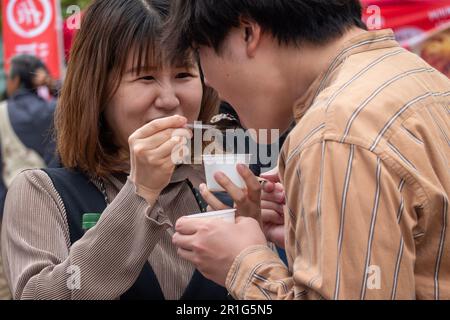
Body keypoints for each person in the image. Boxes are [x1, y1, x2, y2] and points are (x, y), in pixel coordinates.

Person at [168, 0, 450, 299]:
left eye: (200, 53)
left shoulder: (334, 132)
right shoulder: (420, 78)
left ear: (248, 34)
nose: (208, 80)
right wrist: (314, 233)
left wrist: (245, 264)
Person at [1, 0, 231, 300]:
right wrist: (140, 192)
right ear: (96, 89)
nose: (169, 98)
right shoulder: (42, 192)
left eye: (183, 75)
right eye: (146, 77)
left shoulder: (219, 180)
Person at [0, 54, 56, 300]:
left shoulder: (1, 112)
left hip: (10, 204)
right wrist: (52, 84)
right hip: (53, 203)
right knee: (52, 270)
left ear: (14, 80)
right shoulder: (55, 109)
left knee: (8, 276)